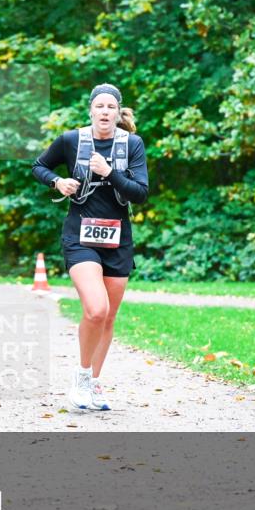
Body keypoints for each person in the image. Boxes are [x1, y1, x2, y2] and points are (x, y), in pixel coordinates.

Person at [31, 84, 149, 411]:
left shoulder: (132, 144)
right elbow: (38, 166)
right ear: (91, 110)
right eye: (100, 106)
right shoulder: (72, 140)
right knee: (95, 309)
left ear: (118, 111)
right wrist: (57, 182)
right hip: (80, 234)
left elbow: (140, 193)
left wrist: (110, 172)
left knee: (108, 318)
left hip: (117, 238)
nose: (105, 112)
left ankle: (94, 383)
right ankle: (81, 377)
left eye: (111, 106)